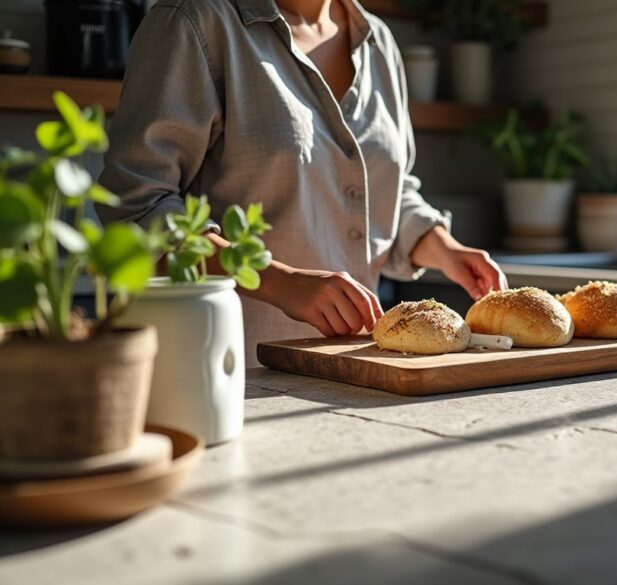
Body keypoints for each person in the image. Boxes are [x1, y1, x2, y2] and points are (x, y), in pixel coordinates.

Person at [98, 0, 507, 362]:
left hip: (360, 370)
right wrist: (278, 281)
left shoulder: (379, 41)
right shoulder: (195, 22)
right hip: (228, 371)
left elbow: (391, 192)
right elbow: (137, 207)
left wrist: (444, 250)